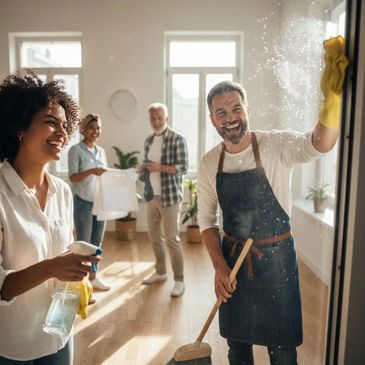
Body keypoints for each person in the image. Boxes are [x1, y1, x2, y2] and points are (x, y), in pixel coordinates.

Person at [197, 36, 348, 364]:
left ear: (247, 109)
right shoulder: (210, 162)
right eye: (221, 112)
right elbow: (206, 221)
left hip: (278, 266)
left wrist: (332, 99)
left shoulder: (275, 144)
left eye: (236, 108)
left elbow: (319, 145)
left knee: (282, 352)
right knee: (238, 348)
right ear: (212, 119)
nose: (230, 117)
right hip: (233, 263)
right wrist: (220, 267)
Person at [0, 71, 99, 364]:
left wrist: (77, 266)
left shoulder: (63, 192)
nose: (62, 133)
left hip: (59, 332)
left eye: (65, 126)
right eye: (50, 122)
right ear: (20, 127)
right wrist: (53, 267)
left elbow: (61, 250)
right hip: (13, 343)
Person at [140, 102, 188, 297]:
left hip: (170, 197)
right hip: (151, 196)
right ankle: (160, 272)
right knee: (154, 237)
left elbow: (183, 167)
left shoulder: (178, 139)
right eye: (153, 118)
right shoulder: (148, 141)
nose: (156, 121)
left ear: (166, 118)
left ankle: (179, 280)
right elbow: (148, 164)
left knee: (172, 239)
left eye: (160, 118)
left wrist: (159, 167)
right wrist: (143, 167)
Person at [68, 113, 110, 291]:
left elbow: (105, 177)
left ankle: (93, 278)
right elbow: (73, 177)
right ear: (83, 129)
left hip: (100, 203)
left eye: (98, 128)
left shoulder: (101, 152)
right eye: (91, 127)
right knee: (84, 244)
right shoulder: (75, 151)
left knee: (96, 244)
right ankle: (81, 284)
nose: (95, 131)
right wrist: (92, 170)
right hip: (83, 202)